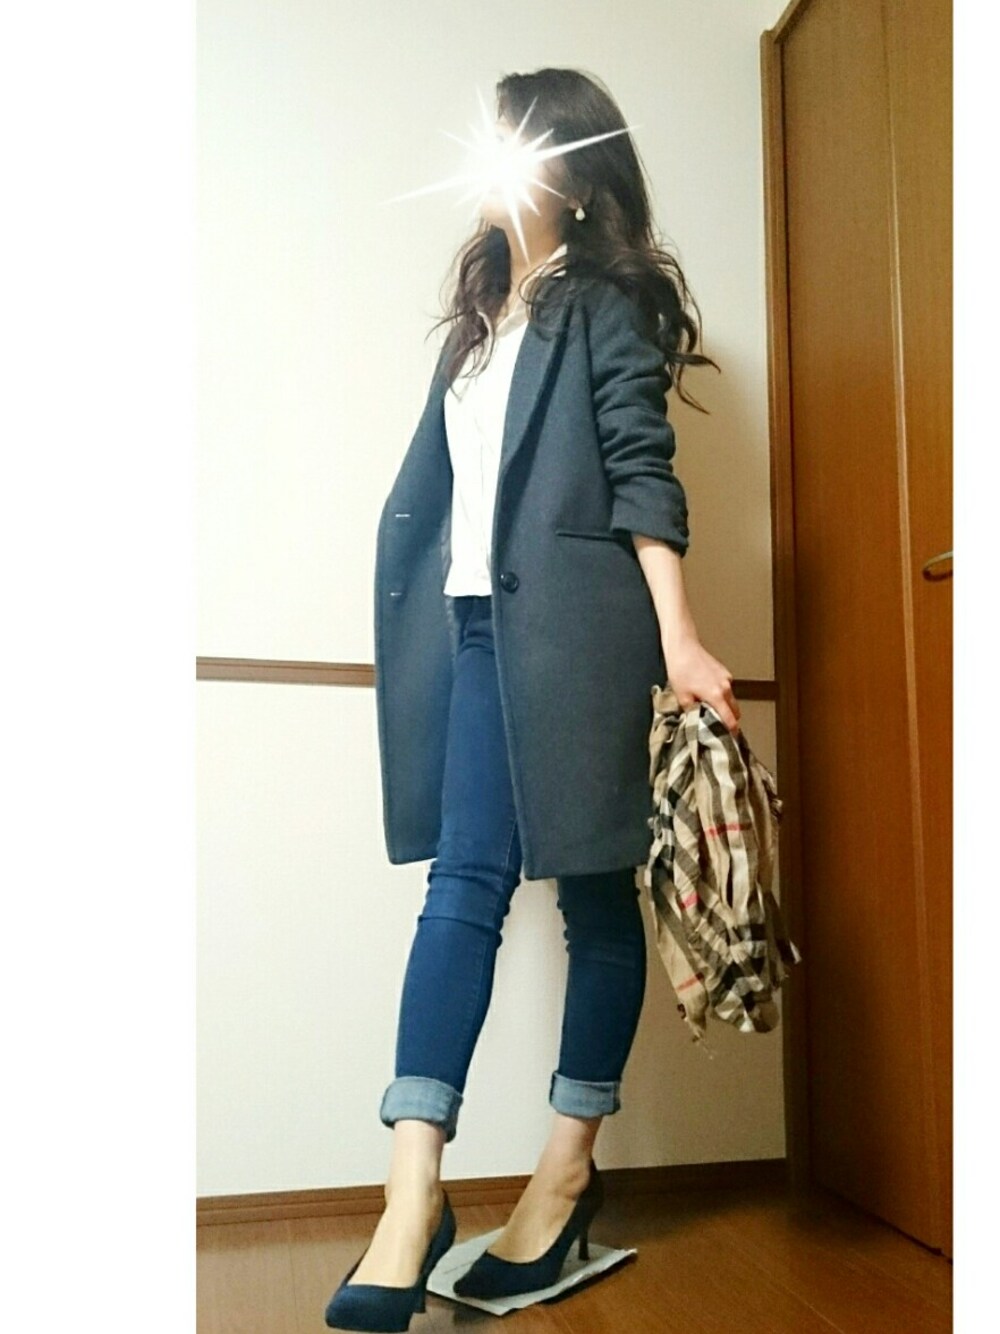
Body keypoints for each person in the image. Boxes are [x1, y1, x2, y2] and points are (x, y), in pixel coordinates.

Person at [325, 67, 740, 1332]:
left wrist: (679, 638)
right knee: (461, 887)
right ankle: (413, 1192)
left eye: (525, 139)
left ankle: (562, 1176)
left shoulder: (605, 302)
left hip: (580, 636)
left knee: (596, 895)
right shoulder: (479, 318)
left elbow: (641, 472)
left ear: (571, 165)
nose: (502, 158)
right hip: (467, 630)